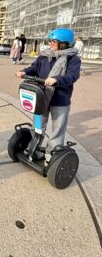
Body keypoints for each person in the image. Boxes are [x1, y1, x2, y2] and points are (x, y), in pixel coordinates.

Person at [16, 28, 80, 165]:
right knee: (38, 125)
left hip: (60, 99)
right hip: (42, 96)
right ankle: (34, 148)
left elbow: (72, 76)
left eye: (53, 41)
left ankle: (52, 155)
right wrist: (24, 71)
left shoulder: (73, 59)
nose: (50, 43)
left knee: (58, 129)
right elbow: (34, 67)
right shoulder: (44, 56)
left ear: (64, 43)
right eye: (50, 40)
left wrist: (57, 80)